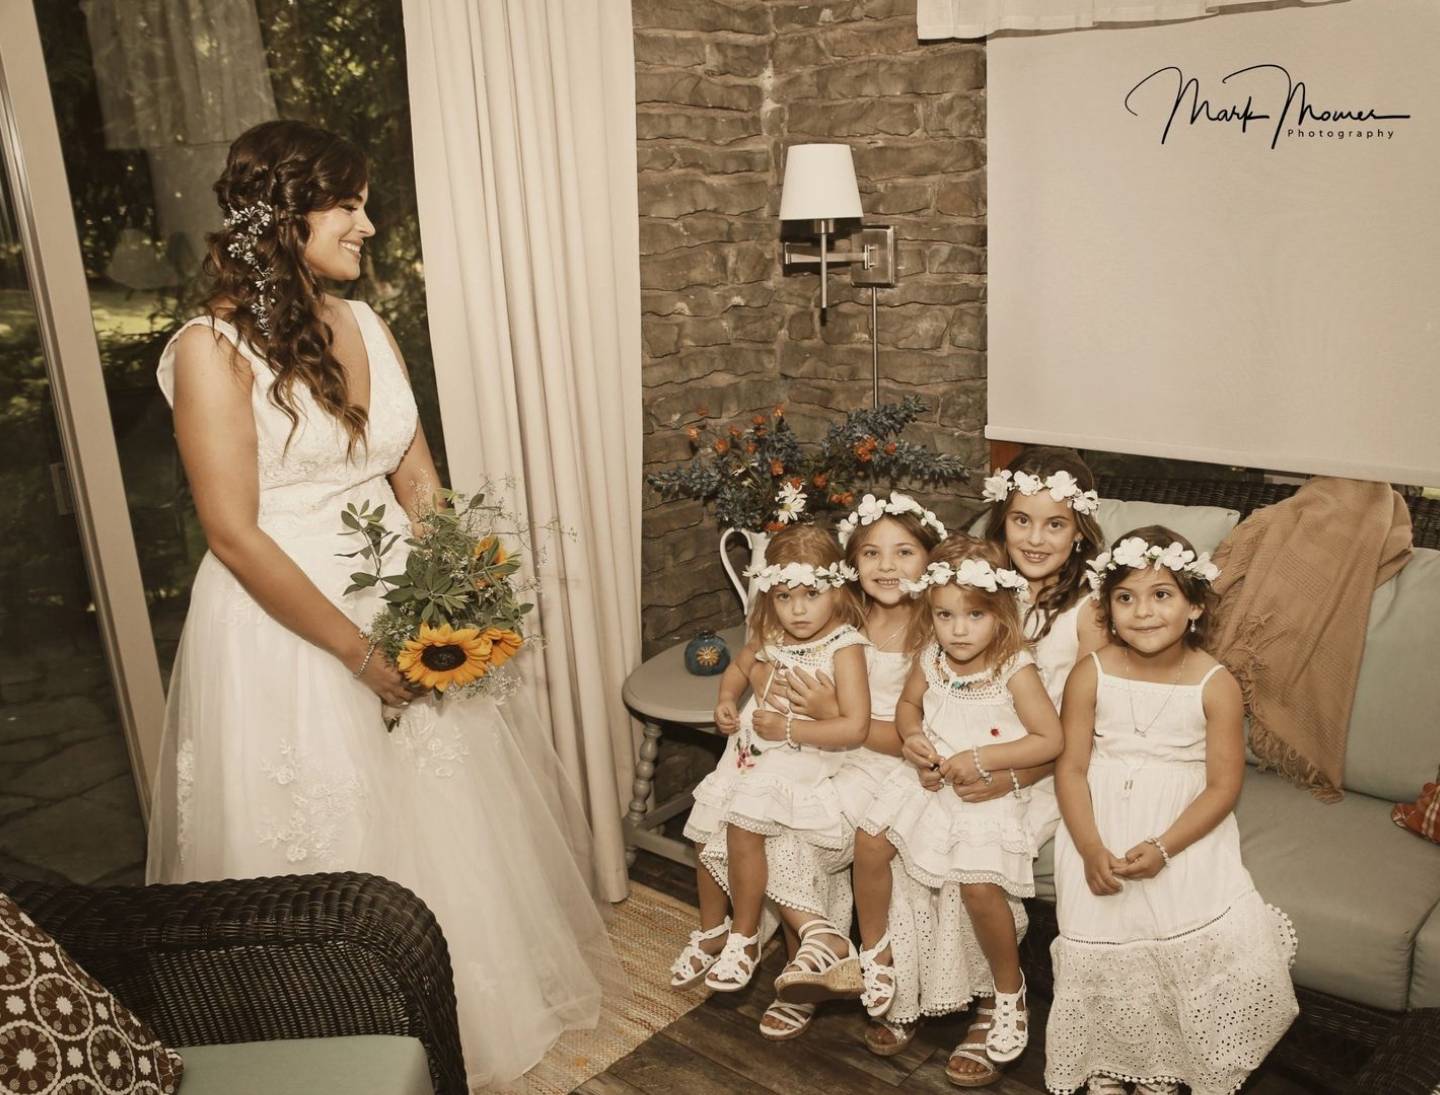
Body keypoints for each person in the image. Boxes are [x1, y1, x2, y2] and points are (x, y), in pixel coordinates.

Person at [145, 119, 617, 1090]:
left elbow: (415, 472)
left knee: (444, 818)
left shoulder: (366, 324)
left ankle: (455, 1016)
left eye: (365, 203)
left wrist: (459, 592)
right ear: (285, 217)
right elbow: (233, 534)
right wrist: (363, 658)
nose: (368, 223)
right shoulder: (209, 351)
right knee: (331, 838)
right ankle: (338, 1030)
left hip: (402, 603)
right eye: (348, 205)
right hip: (287, 631)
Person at [1046, 527, 1297, 1095]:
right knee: (1104, 938)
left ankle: (1168, 1065)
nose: (1143, 612)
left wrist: (1163, 847)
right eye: (1126, 597)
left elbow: (1222, 786)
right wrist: (1089, 847)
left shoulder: (1216, 684)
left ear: (1194, 605)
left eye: (1161, 595)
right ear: (1107, 608)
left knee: (1173, 938)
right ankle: (1108, 1063)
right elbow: (1072, 768)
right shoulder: (1092, 671)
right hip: (1099, 822)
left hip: (1182, 826)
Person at [859, 535, 1065, 1085]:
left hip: (991, 785)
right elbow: (908, 706)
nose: (957, 629)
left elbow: (1050, 738)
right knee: (871, 839)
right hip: (932, 780)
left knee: (977, 882)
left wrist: (985, 758)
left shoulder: (1015, 668)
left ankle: (1007, 990)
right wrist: (912, 740)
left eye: (974, 614)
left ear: (1000, 612)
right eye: (945, 615)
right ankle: (876, 955)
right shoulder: (931, 657)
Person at [672, 523, 870, 1030]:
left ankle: (745, 936)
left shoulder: (845, 646)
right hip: (751, 753)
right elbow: (738, 671)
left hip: (803, 756)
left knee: (742, 826)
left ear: (838, 589)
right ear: (769, 595)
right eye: (784, 596)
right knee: (703, 832)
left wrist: (789, 724)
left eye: (811, 594)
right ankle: (711, 930)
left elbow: (854, 724)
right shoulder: (770, 634)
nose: (798, 609)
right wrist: (723, 701)